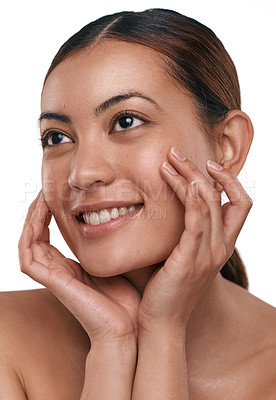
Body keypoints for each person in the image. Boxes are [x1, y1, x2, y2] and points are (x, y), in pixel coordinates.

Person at [1, 8, 275, 399]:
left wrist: (163, 328)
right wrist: (113, 342)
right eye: (57, 137)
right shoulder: (6, 339)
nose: (82, 174)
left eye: (126, 121)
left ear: (227, 146)